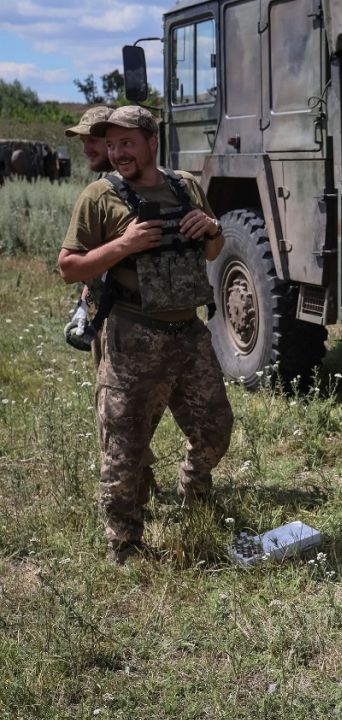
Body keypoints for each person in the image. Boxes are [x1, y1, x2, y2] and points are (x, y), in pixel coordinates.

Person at [57, 105, 234, 564]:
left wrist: (212, 228)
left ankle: (194, 492)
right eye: (111, 145)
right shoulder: (99, 196)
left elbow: (213, 251)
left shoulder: (185, 186)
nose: (117, 153)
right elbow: (68, 267)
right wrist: (124, 245)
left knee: (215, 430)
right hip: (132, 334)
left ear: (152, 141)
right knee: (124, 451)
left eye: (126, 143)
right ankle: (126, 544)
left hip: (189, 333)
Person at [64, 105, 115, 174]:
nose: (86, 150)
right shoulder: (106, 175)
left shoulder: (126, 181)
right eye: (83, 141)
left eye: (93, 140)